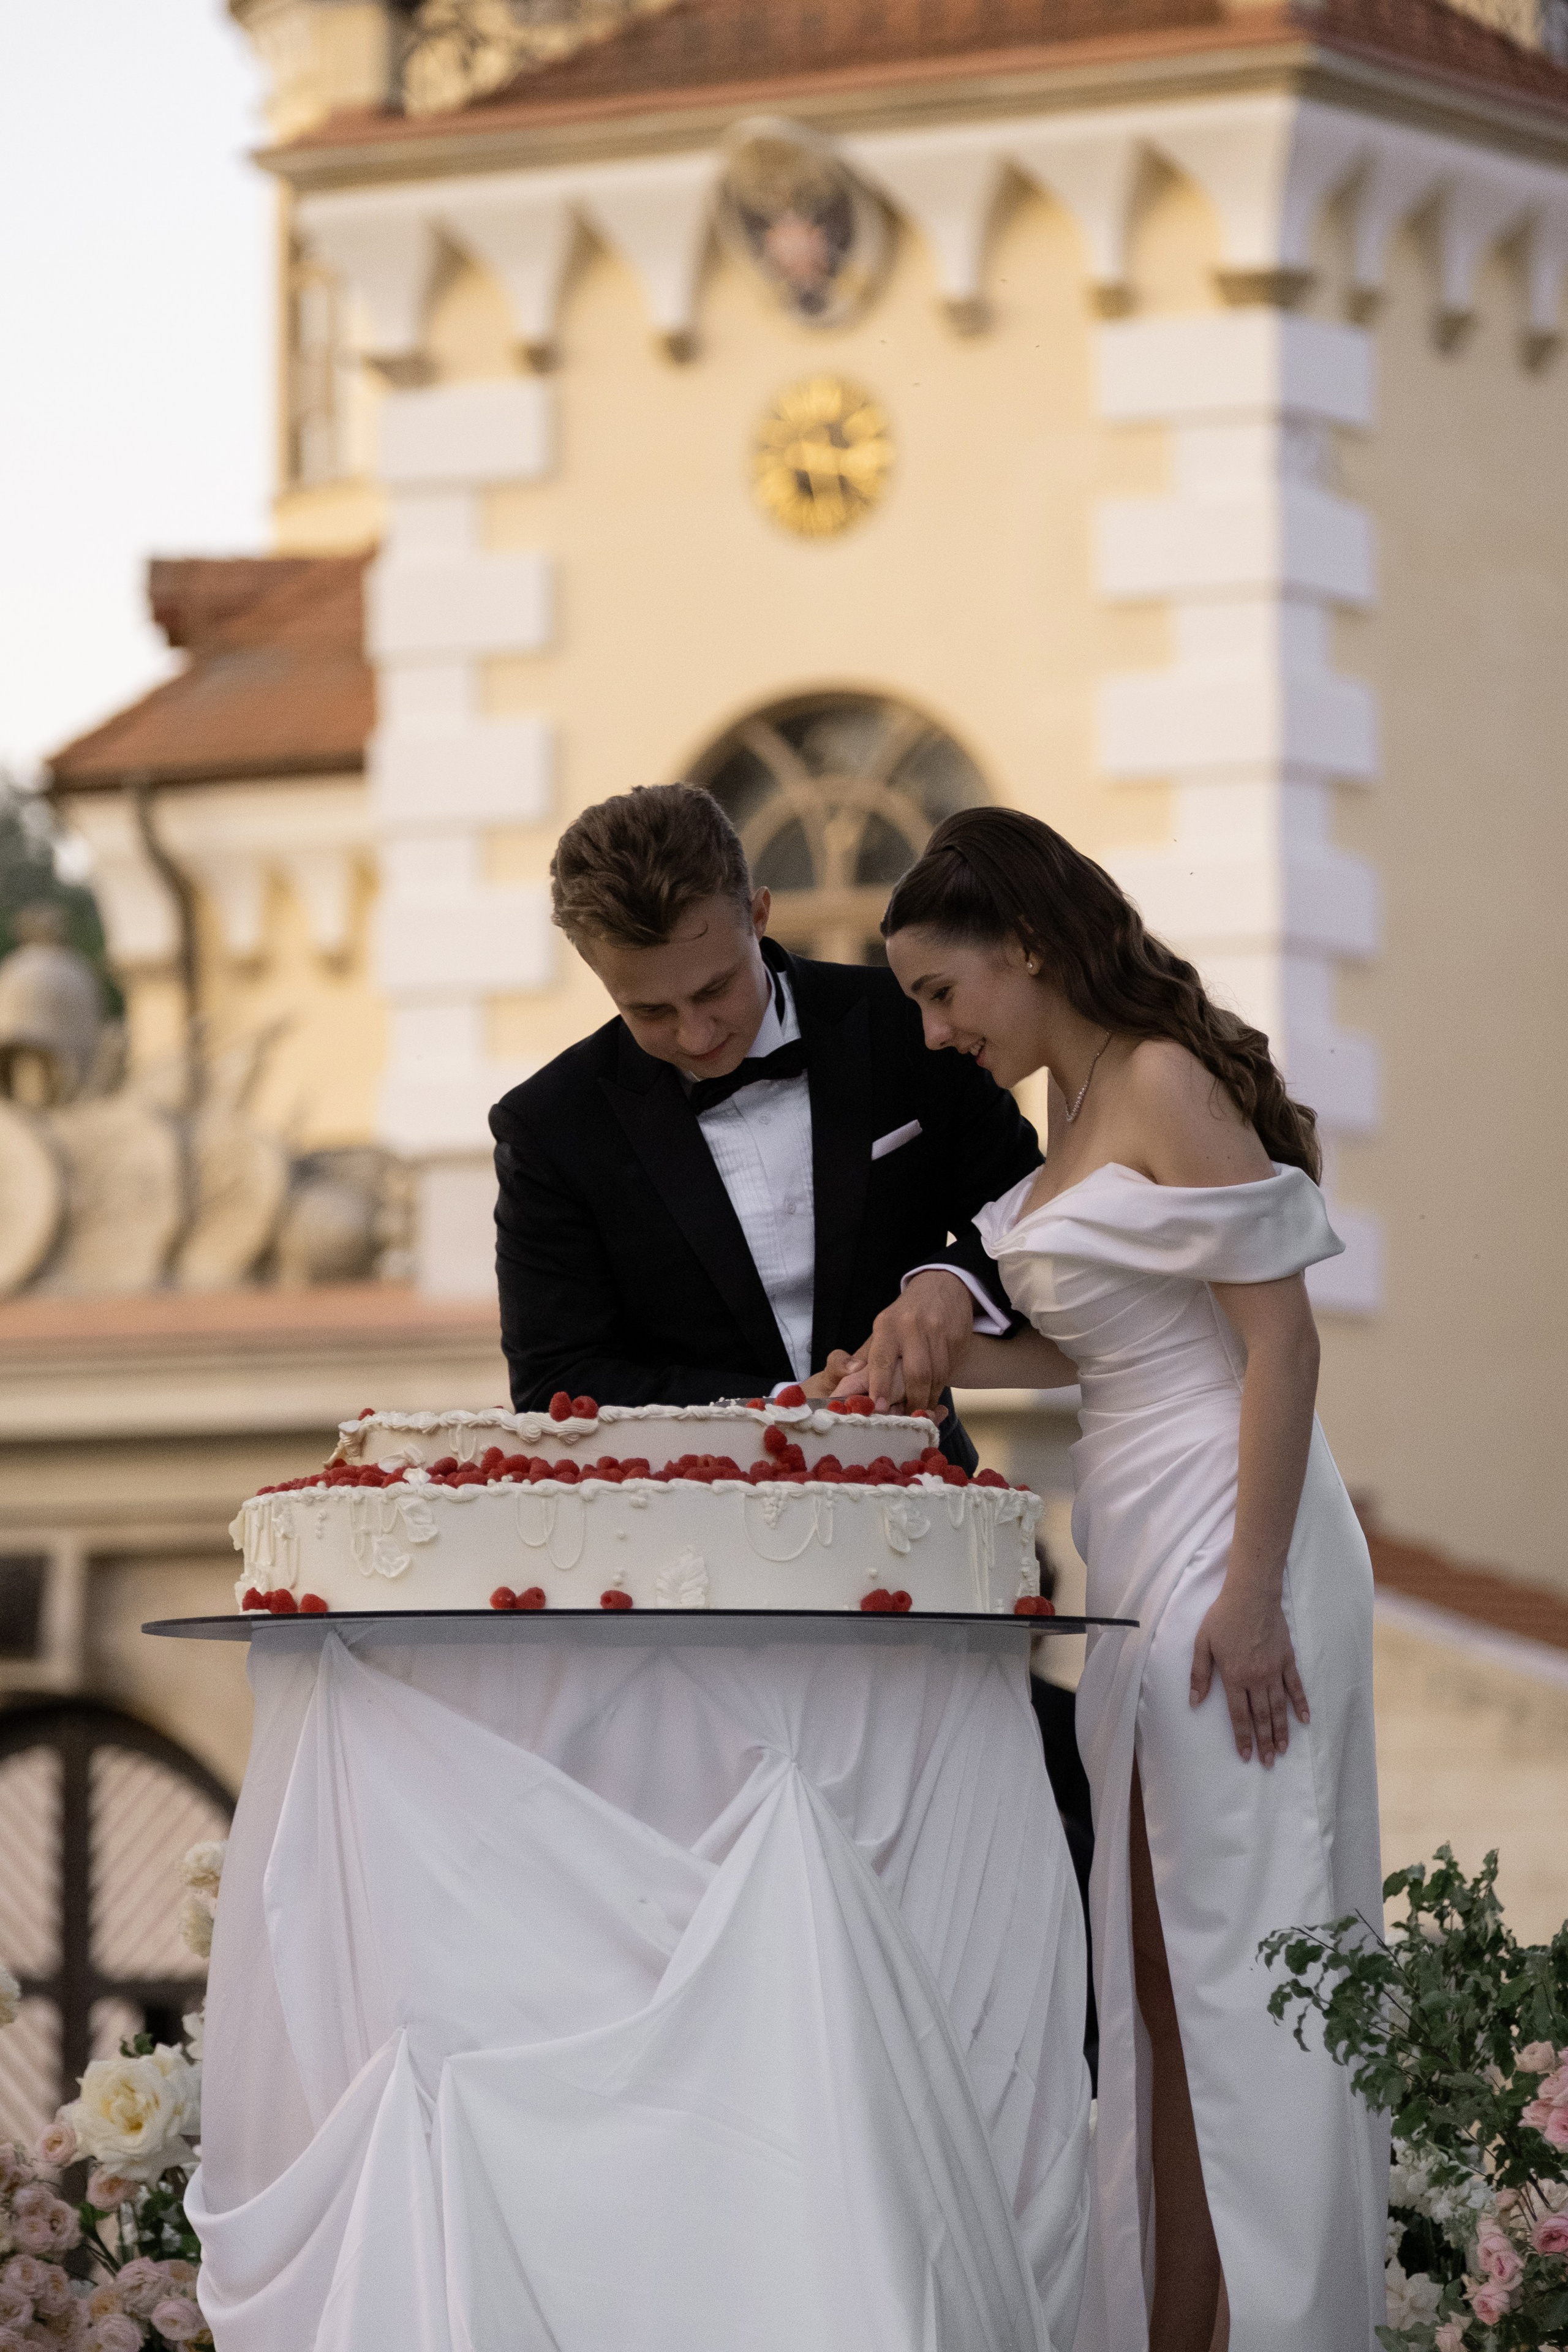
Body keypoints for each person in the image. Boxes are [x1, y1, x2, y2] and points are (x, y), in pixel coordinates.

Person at [862, 807, 1386, 2352]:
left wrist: (1251, 1588)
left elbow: (1276, 1338)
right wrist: (926, 1338)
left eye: (942, 991)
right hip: (1139, 1539)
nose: (934, 1030)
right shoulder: (1076, 1098)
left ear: (1024, 946)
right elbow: (1100, 1338)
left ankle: (1278, 2325)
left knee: (1245, 1961)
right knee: (1153, 1969)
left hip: (1238, 1538)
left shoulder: (1154, 1079)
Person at [489, 784, 1043, 1460]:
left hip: (920, 1483)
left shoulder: (912, 1028)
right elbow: (558, 1383)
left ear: (759, 915)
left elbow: (1033, 1209)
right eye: (650, 1012)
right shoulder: (549, 1125)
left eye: (713, 989)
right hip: (681, 1527)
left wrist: (955, 1282)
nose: (695, 1035)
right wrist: (776, 1409)